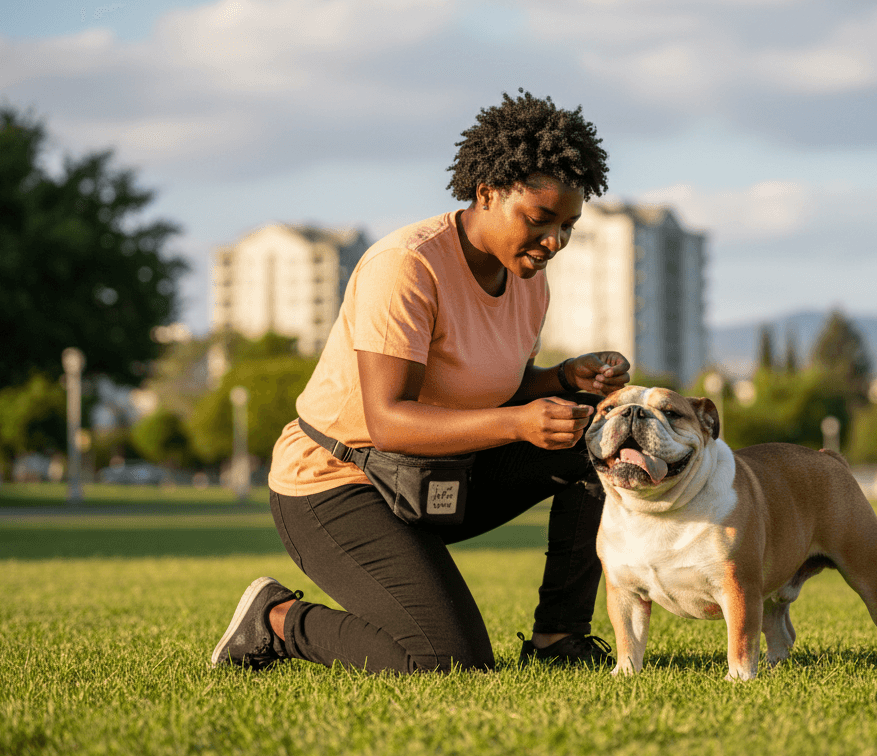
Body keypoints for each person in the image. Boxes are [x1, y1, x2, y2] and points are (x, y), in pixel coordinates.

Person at [209, 91, 628, 674]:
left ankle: (559, 637)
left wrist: (560, 378)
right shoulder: (408, 265)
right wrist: (518, 424)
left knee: (595, 434)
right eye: (539, 220)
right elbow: (389, 420)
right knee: (446, 660)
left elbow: (486, 389)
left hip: (436, 474)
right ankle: (275, 620)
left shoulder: (529, 279)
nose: (554, 241)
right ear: (487, 192)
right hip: (339, 480)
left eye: (568, 226)